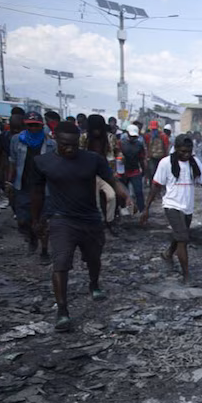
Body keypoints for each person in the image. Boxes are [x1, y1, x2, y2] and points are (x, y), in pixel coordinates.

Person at [28, 121, 128, 331]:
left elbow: (111, 178)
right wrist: (36, 219)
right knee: (61, 263)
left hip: (90, 218)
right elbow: (36, 192)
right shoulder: (42, 162)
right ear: (55, 139)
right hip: (61, 219)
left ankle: (94, 283)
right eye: (65, 144)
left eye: (74, 144)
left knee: (93, 259)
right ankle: (62, 311)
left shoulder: (92, 159)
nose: (70, 149)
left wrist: (122, 192)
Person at [142, 135, 202, 285]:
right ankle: (186, 275)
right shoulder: (165, 163)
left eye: (189, 151)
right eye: (183, 152)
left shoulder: (194, 163)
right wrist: (146, 209)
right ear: (175, 149)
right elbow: (155, 186)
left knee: (181, 234)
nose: (186, 155)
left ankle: (168, 254)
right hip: (171, 205)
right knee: (183, 239)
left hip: (187, 206)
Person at [8, 111, 54, 260]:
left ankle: (44, 251)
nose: (33, 128)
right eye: (30, 125)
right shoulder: (16, 140)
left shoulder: (50, 144)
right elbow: (13, 162)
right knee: (23, 220)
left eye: (36, 125)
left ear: (41, 126)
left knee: (43, 220)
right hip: (23, 186)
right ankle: (32, 238)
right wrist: (9, 181)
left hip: (43, 188)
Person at [81, 114, 119, 234]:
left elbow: (117, 152)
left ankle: (109, 221)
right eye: (94, 128)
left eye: (98, 128)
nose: (96, 131)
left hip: (106, 172)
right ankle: (98, 223)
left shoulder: (110, 138)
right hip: (88, 173)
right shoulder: (84, 138)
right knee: (95, 200)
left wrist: (117, 168)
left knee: (111, 196)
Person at [117, 124, 147, 214]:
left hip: (135, 171)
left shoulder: (139, 145)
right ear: (127, 134)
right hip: (123, 171)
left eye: (134, 137)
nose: (133, 138)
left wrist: (144, 170)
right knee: (123, 193)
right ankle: (123, 209)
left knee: (139, 192)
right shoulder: (120, 143)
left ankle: (142, 211)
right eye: (131, 136)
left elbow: (142, 158)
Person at [145, 121, 168, 186]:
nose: (153, 130)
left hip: (161, 158)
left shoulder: (163, 136)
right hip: (152, 158)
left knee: (160, 173)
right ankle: (152, 186)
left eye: (154, 129)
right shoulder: (148, 136)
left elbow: (166, 147)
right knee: (152, 173)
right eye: (153, 129)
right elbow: (147, 147)